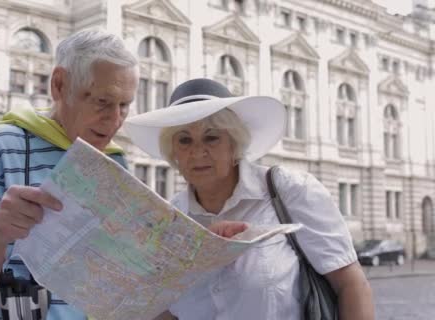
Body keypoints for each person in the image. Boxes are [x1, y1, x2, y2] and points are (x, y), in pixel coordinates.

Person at [124, 78, 374, 320]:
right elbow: (165, 312)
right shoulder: (168, 221)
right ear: (173, 152)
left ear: (234, 143)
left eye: (211, 137)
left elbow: (350, 284)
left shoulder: (290, 191)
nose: (197, 152)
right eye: (184, 140)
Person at [0, 28, 139, 320]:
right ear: (59, 85)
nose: (115, 120)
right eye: (102, 102)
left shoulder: (115, 162)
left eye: (124, 106)